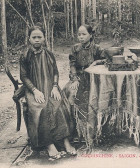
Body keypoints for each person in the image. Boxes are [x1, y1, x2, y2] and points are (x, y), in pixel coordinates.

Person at [20, 24, 76, 161]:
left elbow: (55, 72)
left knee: (60, 105)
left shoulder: (49, 54)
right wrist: (34, 91)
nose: (37, 40)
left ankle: (65, 141)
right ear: (29, 39)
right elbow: (24, 76)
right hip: (33, 89)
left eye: (40, 37)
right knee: (43, 108)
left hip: (50, 87)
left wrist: (55, 86)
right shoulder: (25, 55)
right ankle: (49, 144)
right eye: (34, 37)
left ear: (44, 38)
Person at [63, 24, 105, 147]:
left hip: (93, 78)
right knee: (70, 94)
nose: (80, 37)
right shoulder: (75, 48)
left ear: (90, 35)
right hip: (79, 78)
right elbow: (72, 65)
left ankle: (94, 130)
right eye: (79, 34)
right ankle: (75, 130)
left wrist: (96, 62)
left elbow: (105, 60)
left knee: (94, 97)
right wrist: (75, 79)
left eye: (84, 34)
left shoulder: (97, 48)